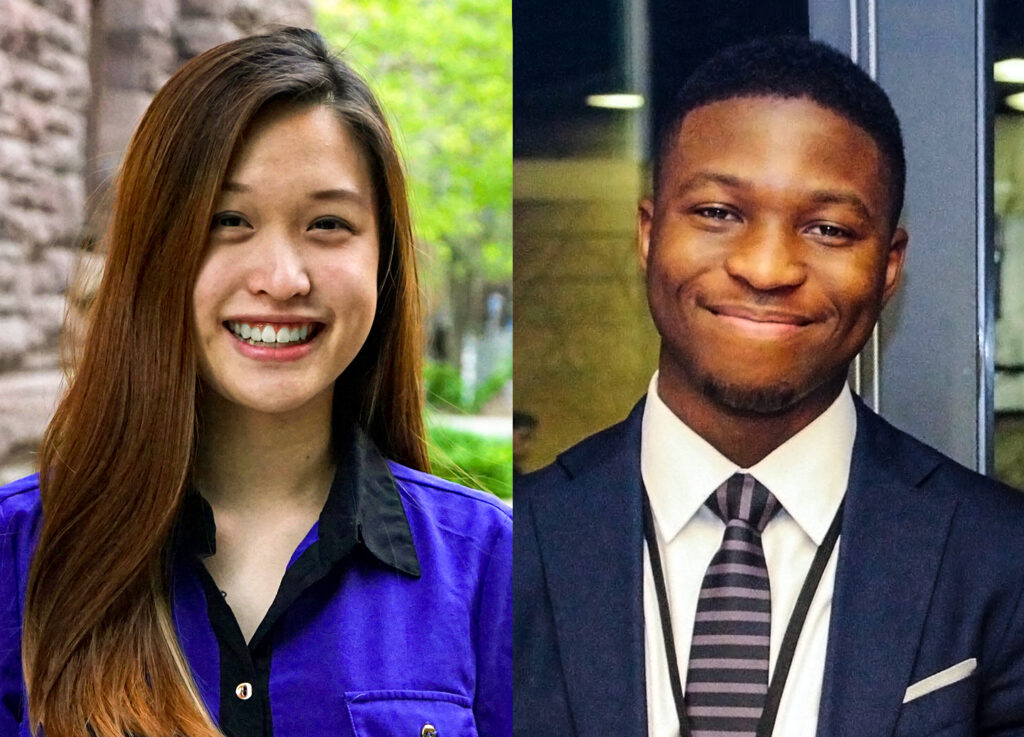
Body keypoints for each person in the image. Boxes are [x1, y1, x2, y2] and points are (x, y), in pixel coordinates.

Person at [0, 28, 511, 737]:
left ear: (384, 260)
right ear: (156, 253)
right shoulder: (19, 553)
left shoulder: (494, 567)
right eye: (228, 220)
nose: (282, 278)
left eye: (328, 224)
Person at [513, 36, 1024, 737]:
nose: (766, 266)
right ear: (648, 231)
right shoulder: (516, 542)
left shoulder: (999, 557)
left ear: (889, 266)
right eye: (719, 213)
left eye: (828, 227)